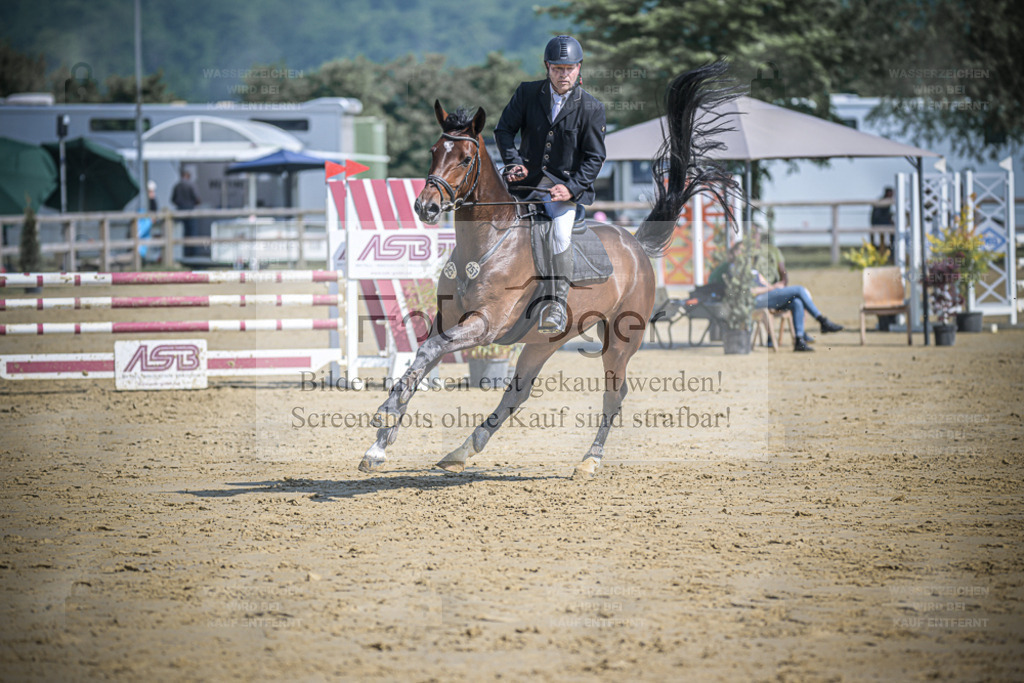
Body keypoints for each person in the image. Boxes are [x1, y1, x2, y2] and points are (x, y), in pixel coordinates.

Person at [494, 35, 607, 334]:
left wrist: (571, 189)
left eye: (569, 68)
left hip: (562, 190)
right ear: (547, 67)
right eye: (557, 68)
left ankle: (556, 303)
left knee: (559, 234)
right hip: (525, 185)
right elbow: (504, 129)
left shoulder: (591, 108)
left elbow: (595, 158)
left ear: (579, 68)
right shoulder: (528, 93)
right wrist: (512, 161)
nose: (564, 74)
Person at [171, 169, 202, 258]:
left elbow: (173, 199)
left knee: (182, 234)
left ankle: (185, 255)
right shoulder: (191, 185)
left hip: (180, 211)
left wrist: (181, 204)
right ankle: (194, 255)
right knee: (192, 233)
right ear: (188, 176)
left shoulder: (177, 186)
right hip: (190, 211)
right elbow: (197, 199)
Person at [870, 187, 894, 255]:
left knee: (892, 231)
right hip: (879, 223)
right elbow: (879, 216)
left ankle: (890, 250)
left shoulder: (884, 200)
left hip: (879, 222)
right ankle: (891, 251)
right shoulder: (883, 201)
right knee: (891, 232)